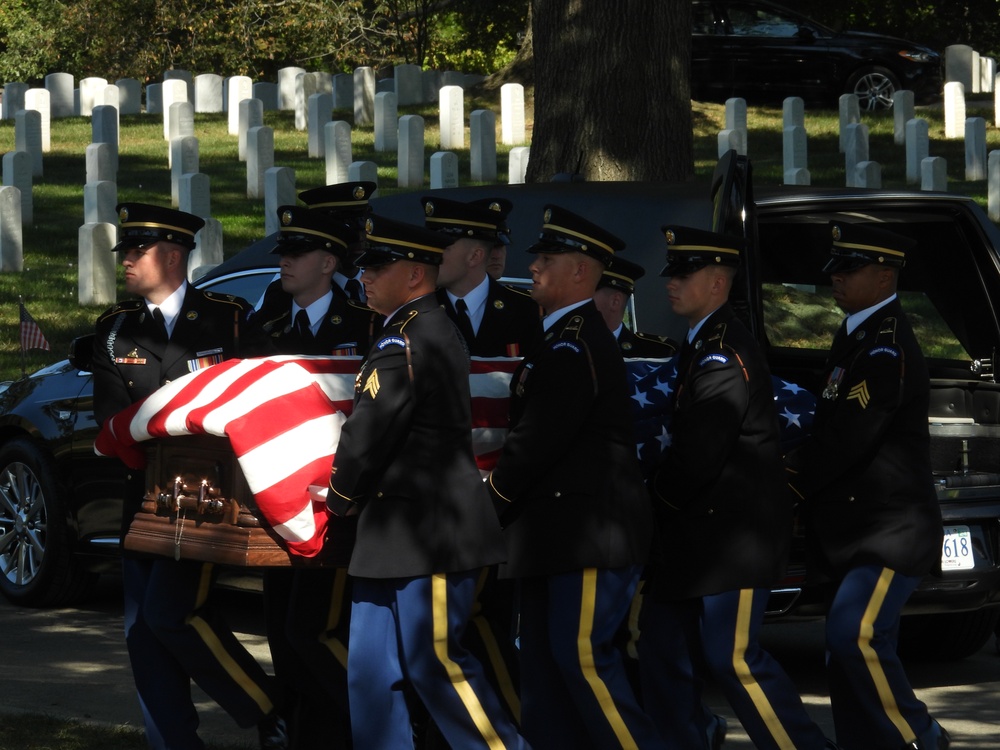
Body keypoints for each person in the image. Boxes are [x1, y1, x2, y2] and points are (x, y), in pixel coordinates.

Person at [324, 214, 528, 750]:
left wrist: (339, 498)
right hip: (394, 535)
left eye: (378, 265)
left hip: (430, 534)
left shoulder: (410, 339)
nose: (363, 275)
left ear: (416, 274)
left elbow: (368, 430)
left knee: (436, 664)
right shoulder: (409, 332)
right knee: (370, 676)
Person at [91, 203, 285, 750]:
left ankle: (267, 708)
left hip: (214, 504)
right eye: (125, 251)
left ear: (172, 256)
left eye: (137, 251)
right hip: (147, 502)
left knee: (169, 615)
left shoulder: (231, 320)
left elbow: (258, 401)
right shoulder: (115, 333)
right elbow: (112, 427)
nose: (125, 261)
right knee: (144, 640)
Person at [638, 225, 833, 750]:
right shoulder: (702, 343)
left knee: (733, 658)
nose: (671, 283)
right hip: (695, 538)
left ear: (718, 283)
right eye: (671, 273)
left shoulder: (724, 354)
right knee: (659, 649)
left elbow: (699, 455)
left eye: (684, 274)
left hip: (731, 540)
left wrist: (650, 504)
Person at [486, 205, 665, 750]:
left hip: (588, 535)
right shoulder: (560, 337)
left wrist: (488, 501)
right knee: (543, 677)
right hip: (552, 536)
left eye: (547, 258)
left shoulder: (574, 341)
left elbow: (539, 439)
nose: (533, 266)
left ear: (582, 272)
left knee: (581, 661)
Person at [785, 222, 949, 750]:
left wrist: (785, 478)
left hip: (889, 530)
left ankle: (920, 736)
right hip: (855, 530)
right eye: (836, 267)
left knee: (852, 637)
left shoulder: (885, 348)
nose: (836, 278)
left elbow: (846, 440)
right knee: (848, 656)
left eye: (849, 269)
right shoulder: (856, 334)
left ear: (884, 276)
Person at [255, 204, 379, 749]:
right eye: (283, 252)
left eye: (297, 253)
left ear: (329, 262)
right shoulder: (266, 325)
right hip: (276, 506)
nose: (284, 262)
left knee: (319, 631)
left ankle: (358, 729)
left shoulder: (363, 324)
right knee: (285, 633)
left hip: (336, 506)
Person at [423, 195, 540, 357]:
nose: (432, 256)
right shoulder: (420, 311)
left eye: (442, 248)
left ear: (475, 256)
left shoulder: (527, 309)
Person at [299, 181, 376, 303]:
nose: (361, 238)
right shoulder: (299, 290)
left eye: (364, 230)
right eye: (350, 232)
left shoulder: (383, 286)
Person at [592, 255, 677, 358]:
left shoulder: (658, 354)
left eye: (587, 292)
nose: (578, 300)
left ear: (615, 301)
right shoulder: (569, 344)